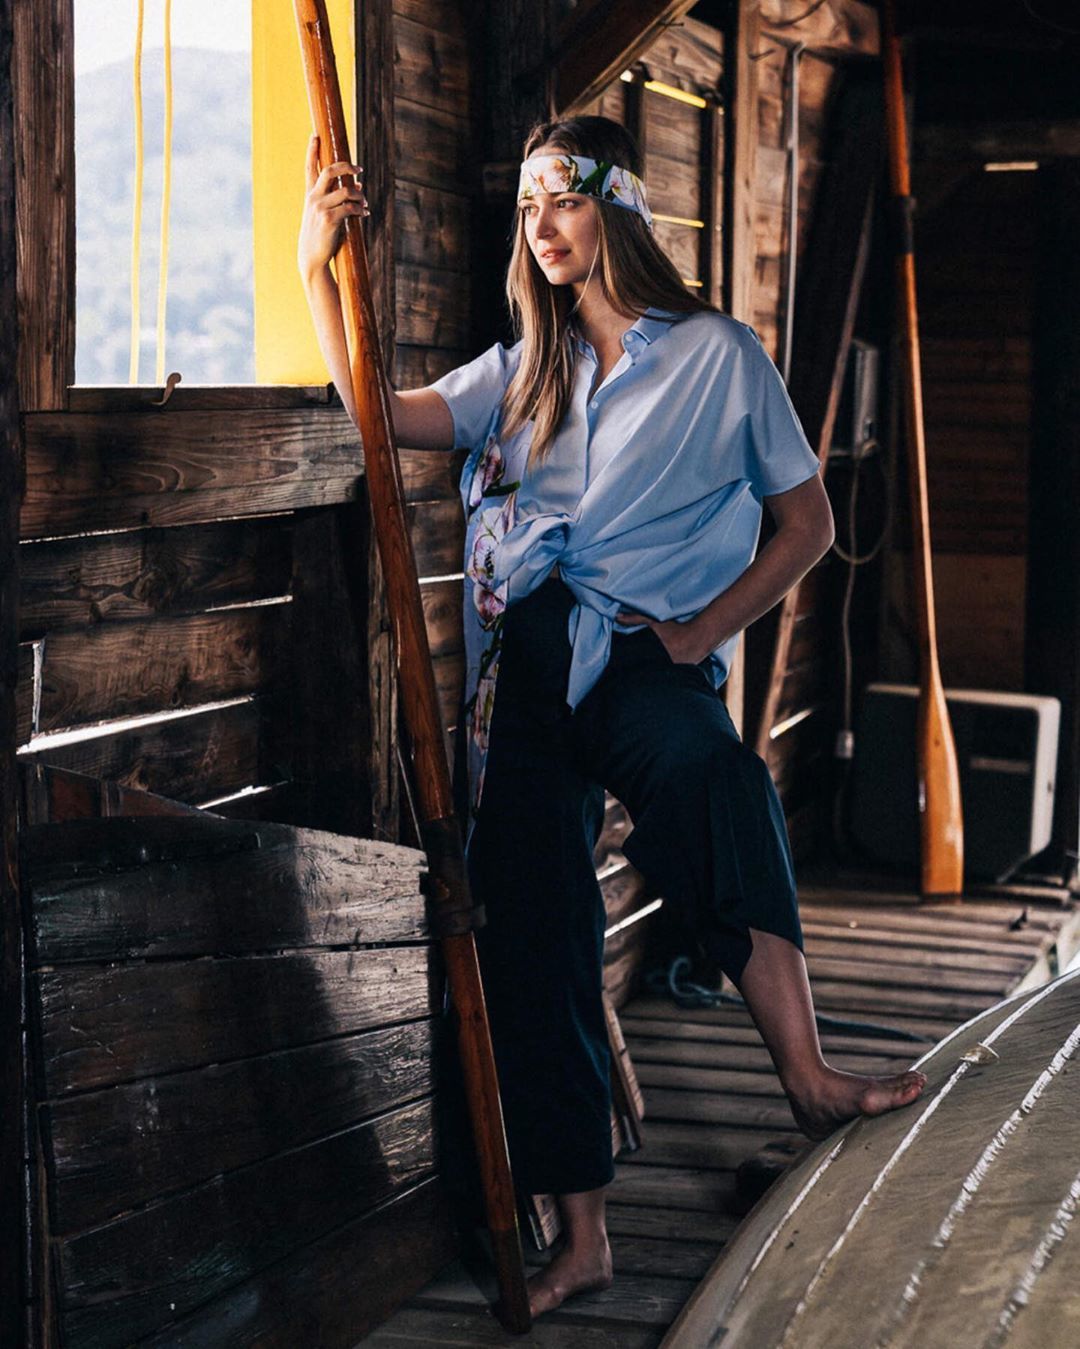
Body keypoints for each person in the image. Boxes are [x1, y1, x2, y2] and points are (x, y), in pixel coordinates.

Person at [298, 114, 928, 1319]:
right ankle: (584, 1235)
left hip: (645, 654)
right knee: (533, 925)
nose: (542, 226)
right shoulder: (521, 371)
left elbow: (808, 525)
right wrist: (311, 269)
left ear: (618, 209)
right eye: (528, 208)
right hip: (525, 674)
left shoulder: (717, 357)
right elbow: (379, 411)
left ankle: (805, 1074)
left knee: (717, 783)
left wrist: (699, 633)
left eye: (565, 200)